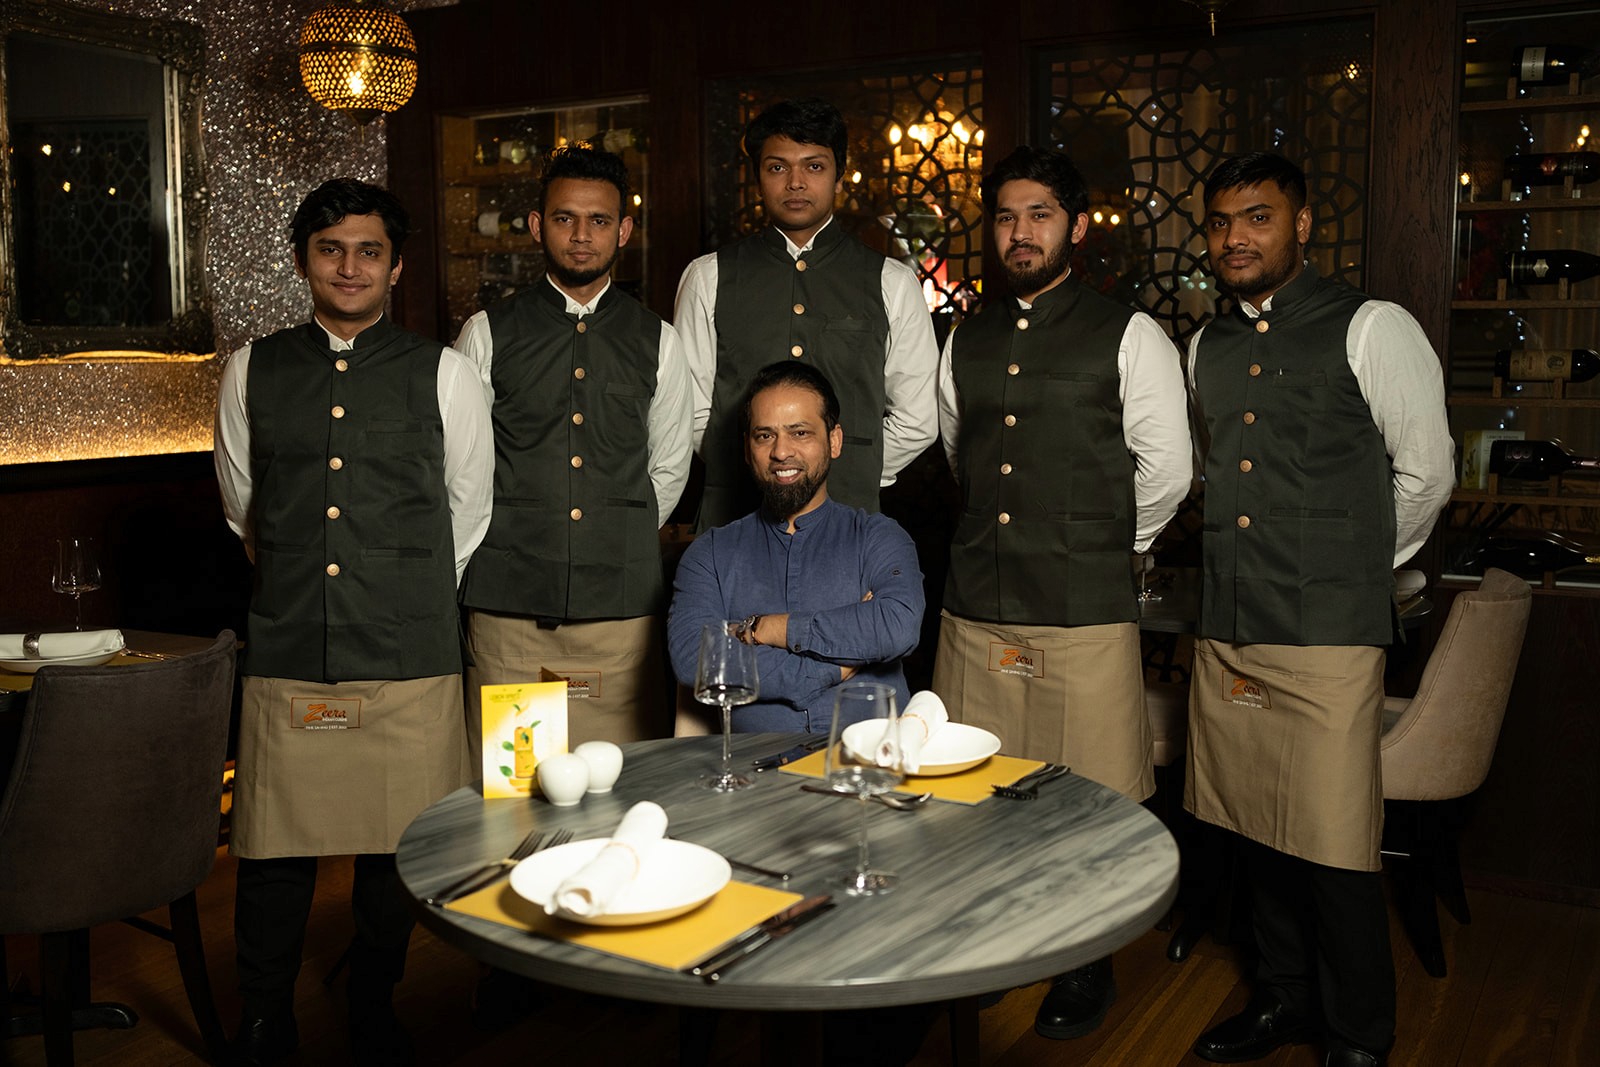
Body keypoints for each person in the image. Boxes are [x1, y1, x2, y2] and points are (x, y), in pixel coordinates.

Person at [213, 178, 493, 1066]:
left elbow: (469, 511)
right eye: (331, 248)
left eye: (369, 250)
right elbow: (244, 507)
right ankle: (265, 1016)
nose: (350, 266)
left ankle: (374, 996)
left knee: (397, 849)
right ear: (303, 259)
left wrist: (395, 589)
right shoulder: (251, 367)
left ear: (396, 265)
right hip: (291, 635)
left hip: (408, 648)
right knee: (270, 848)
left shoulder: (446, 371)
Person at [1184, 152, 1454, 1067]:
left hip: (1332, 629)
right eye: (1220, 222)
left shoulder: (1372, 327)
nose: (1235, 238)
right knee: (1253, 821)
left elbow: (1426, 473)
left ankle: (1358, 1033)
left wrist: (1354, 570)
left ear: (1302, 225)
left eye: (1257, 217)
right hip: (1228, 622)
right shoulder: (1205, 346)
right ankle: (1284, 999)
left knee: (1336, 842)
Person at [930, 145, 1192, 1040]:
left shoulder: (1130, 334)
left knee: (1088, 797)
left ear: (1076, 227)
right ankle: (1002, 947)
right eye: (1005, 217)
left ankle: (1085, 963)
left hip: (1083, 604)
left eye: (1040, 214)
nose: (1020, 233)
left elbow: (1167, 470)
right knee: (982, 788)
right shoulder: (965, 335)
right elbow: (960, 453)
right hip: (977, 599)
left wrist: (1104, 546)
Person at [453, 145, 692, 758]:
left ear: (624, 230)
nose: (581, 236)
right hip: (510, 611)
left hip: (620, 620)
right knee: (516, 795)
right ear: (537, 226)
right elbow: (465, 473)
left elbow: (666, 467)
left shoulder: (659, 341)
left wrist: (609, 537)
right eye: (564, 219)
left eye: (599, 221)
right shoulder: (486, 334)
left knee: (620, 787)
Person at [674, 97, 939, 531]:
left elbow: (918, 418)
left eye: (814, 166)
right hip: (734, 519)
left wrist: (839, 468)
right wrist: (767, 467)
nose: (795, 182)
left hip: (849, 519)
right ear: (757, 176)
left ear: (839, 175)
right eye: (778, 167)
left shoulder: (891, 281)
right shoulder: (708, 277)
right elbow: (690, 410)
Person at [668, 360, 924, 732]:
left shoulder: (879, 537)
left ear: (833, 441)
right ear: (747, 447)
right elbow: (696, 658)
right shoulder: (709, 554)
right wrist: (834, 666)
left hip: (869, 764)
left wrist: (764, 630)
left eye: (800, 433)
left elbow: (897, 627)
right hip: (752, 773)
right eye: (764, 435)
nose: (781, 452)